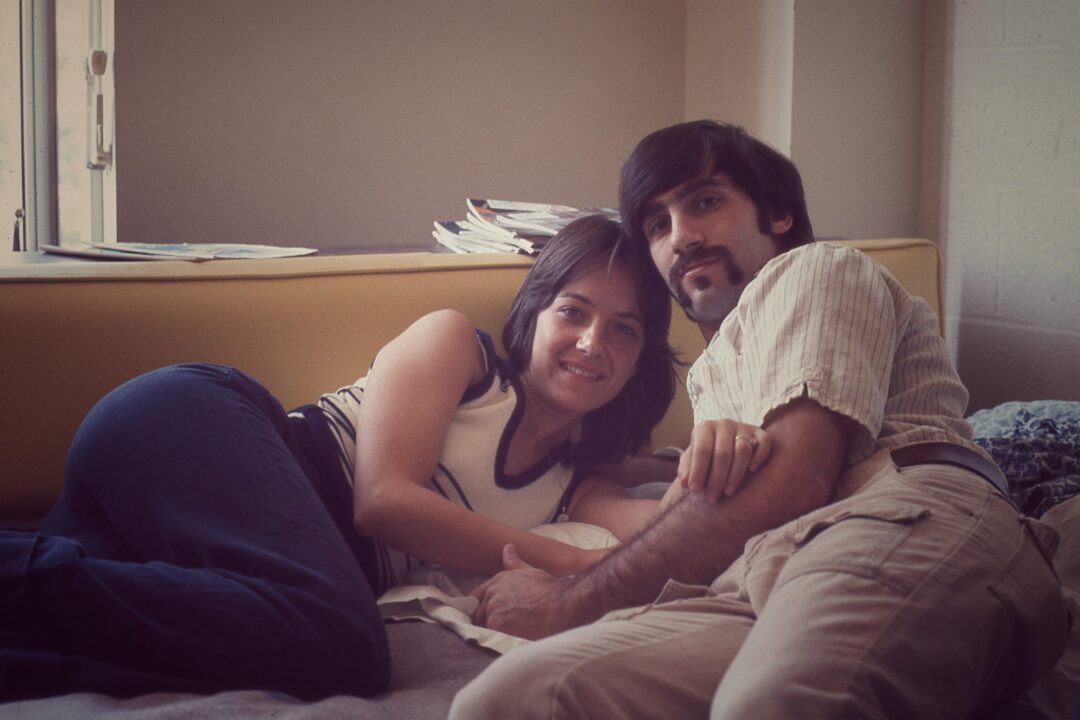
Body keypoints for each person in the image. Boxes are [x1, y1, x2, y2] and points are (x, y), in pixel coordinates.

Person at [0, 215, 770, 703]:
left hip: (200, 543)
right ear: (533, 314)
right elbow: (384, 503)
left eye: (626, 331)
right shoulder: (456, 350)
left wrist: (725, 433)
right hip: (194, 427)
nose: (592, 343)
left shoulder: (578, 484)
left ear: (639, 365)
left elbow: (672, 531)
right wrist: (569, 573)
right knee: (342, 644)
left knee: (39, 652)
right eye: (574, 311)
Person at [450, 121, 1069, 719]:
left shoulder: (815, 270)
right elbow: (686, 518)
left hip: (899, 516)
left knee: (776, 705)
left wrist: (568, 602)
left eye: (706, 202)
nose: (681, 236)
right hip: (757, 574)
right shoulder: (716, 372)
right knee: (508, 700)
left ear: (777, 215)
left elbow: (795, 479)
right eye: (657, 225)